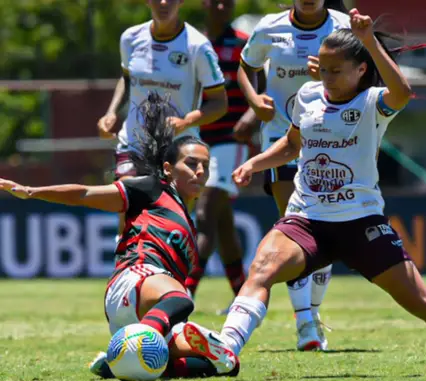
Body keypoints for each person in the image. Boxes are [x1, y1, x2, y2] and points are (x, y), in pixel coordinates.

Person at [182, 9, 426, 375]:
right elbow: (292, 146)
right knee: (261, 269)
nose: (326, 77)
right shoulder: (307, 95)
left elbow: (403, 92)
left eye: (335, 70)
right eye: (322, 69)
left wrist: (368, 40)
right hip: (307, 218)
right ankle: (225, 349)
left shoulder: (373, 104)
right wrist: (254, 164)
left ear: (360, 70)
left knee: (420, 301)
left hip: (360, 223)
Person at [1, 93, 239, 379]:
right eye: (191, 163)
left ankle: (120, 361)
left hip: (142, 310)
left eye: (204, 166)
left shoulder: (187, 221)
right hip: (134, 280)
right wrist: (31, 192)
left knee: (225, 364)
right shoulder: (152, 189)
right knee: (182, 298)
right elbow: (85, 193)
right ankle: (142, 341)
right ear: (167, 168)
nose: (199, 171)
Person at [236, 0, 351, 351]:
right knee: (294, 226)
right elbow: (245, 65)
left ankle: (312, 312)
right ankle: (305, 324)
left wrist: (331, 78)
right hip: (281, 138)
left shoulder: (344, 26)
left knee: (327, 234)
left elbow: (367, 76)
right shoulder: (270, 27)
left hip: (331, 137)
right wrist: (254, 101)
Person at [97, 0, 228, 242]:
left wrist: (185, 122)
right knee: (130, 210)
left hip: (178, 149)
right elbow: (127, 79)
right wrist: (111, 112)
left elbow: (220, 103)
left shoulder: (198, 46)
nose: (163, 3)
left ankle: (164, 271)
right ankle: (126, 272)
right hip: (134, 142)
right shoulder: (130, 38)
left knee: (170, 224)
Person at [187, 0, 264, 316]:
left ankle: (184, 292)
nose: (223, 6)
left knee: (205, 213)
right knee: (222, 222)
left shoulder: (243, 44)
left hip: (232, 141)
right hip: (199, 143)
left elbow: (260, 86)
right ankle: (243, 296)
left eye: (229, 2)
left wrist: (253, 114)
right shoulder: (194, 44)